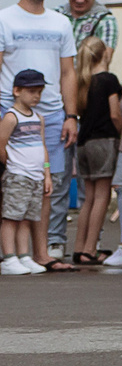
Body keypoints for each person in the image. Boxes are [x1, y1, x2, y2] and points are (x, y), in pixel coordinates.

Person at [2, 0, 76, 265]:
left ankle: (41, 253)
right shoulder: (5, 19)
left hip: (52, 114)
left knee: (46, 186)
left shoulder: (60, 22)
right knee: (9, 185)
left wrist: (71, 115)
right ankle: (11, 253)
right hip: (10, 111)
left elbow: (68, 72)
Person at [65, 38, 121, 264]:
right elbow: (115, 113)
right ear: (104, 54)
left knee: (88, 198)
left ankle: (80, 247)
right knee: (102, 196)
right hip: (104, 140)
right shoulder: (108, 80)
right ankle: (90, 249)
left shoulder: (82, 82)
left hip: (84, 143)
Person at [0, 70, 52, 274]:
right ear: (16, 91)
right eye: (31, 91)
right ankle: (9, 257)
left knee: (26, 218)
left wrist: (46, 175)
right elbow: (1, 144)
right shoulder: (11, 117)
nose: (36, 96)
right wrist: (13, 164)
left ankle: (23, 255)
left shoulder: (39, 118)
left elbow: (43, 146)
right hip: (18, 175)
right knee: (11, 217)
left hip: (36, 176)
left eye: (39, 91)